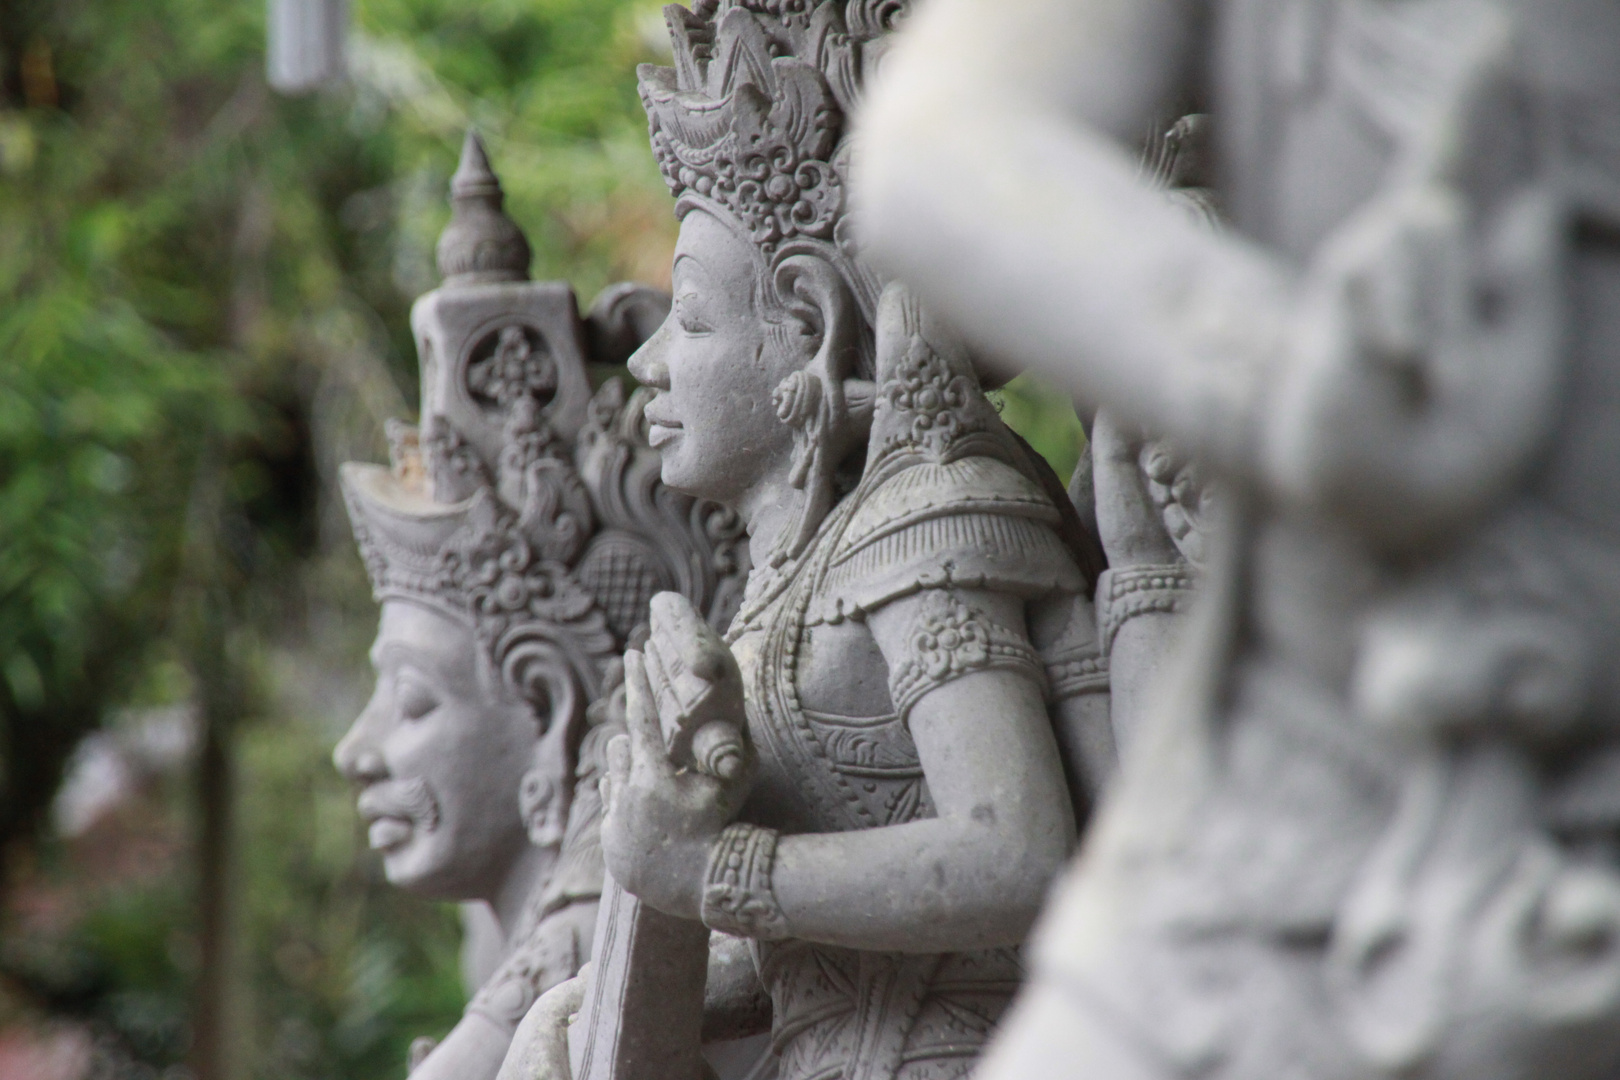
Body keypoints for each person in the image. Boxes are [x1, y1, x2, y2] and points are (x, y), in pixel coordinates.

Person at [857, 0, 1620, 1076]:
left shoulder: (946, 528)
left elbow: (1005, 850)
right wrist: (1280, 379)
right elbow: (938, 143)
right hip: (1277, 849)